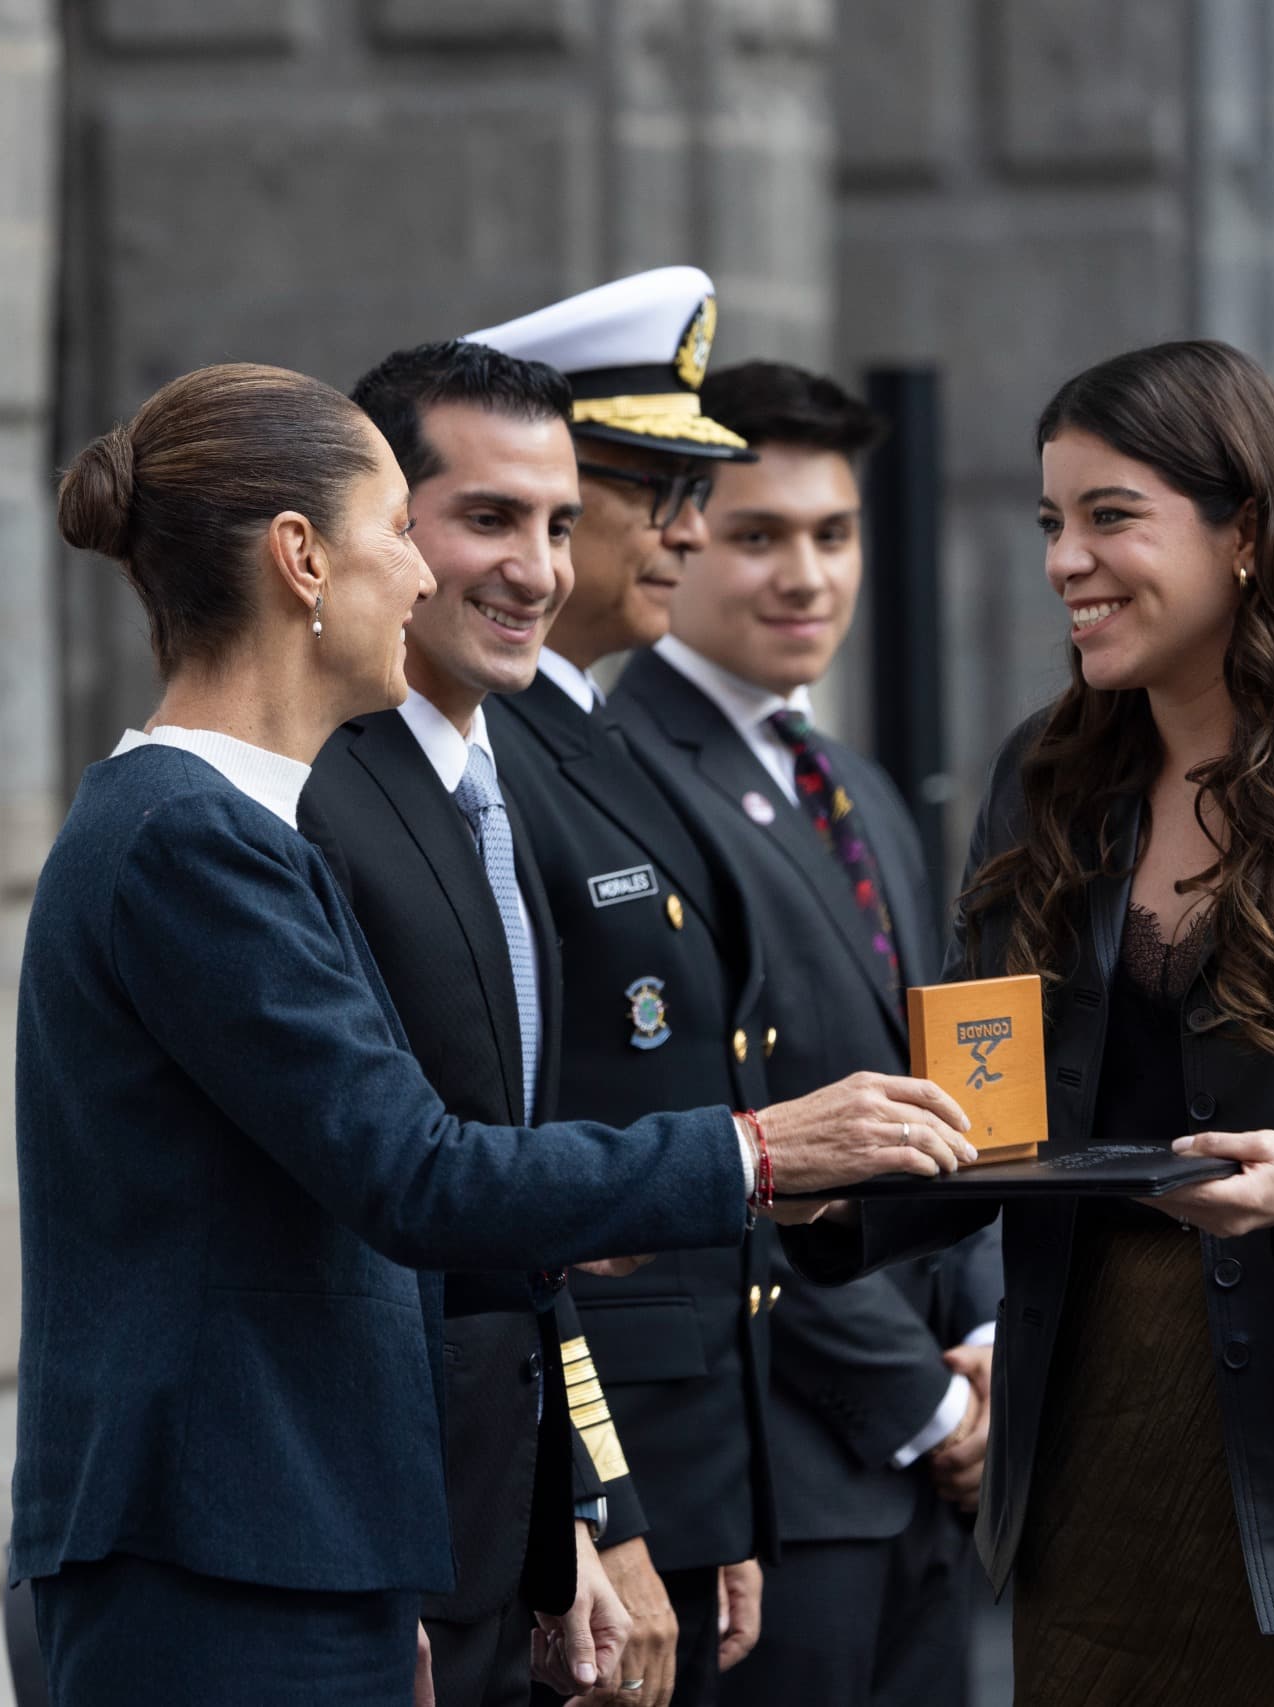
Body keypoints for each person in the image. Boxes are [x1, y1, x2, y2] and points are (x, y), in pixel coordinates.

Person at [13, 361, 978, 1707]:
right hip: (224, 1559)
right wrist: (758, 1149)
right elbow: (416, 1173)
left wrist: (443, 1548)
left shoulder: (235, 826)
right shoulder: (188, 835)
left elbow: (368, 1223)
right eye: (400, 529)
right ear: (300, 560)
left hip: (300, 1544)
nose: (420, 577)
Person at [787, 339, 1274, 1705]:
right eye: (1051, 521)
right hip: (1092, 1451)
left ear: (1250, 536)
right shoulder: (1046, 777)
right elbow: (993, 1115)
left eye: (1110, 516)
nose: (1064, 560)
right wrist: (812, 1187)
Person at [610, 361, 1001, 1707]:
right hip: (781, 1475)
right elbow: (703, 1152)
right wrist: (924, 1401)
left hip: (927, 1476)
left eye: (832, 534)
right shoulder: (623, 779)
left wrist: (988, 1341)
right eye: (757, 533)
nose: (807, 575)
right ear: (677, 536)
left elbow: (950, 1084)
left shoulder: (856, 782)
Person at [457, 272, 793, 1707]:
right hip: (596, 1459)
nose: (688, 529)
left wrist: (711, 1495)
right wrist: (604, 1500)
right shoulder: (482, 755)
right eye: (648, 486)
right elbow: (521, 1167)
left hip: (687, 1435)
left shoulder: (594, 729)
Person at [301, 336, 637, 1707]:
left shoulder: (506, 788)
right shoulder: (317, 797)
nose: (539, 568)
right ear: (387, 531)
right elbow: (364, 1214)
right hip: (382, 1541)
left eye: (559, 524)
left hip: (501, 1523)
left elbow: (521, 1248)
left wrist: (575, 1511)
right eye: (489, 518)